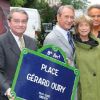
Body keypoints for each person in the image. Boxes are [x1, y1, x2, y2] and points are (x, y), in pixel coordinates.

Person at [0, 8, 37, 100]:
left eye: (23, 21)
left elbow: (37, 66)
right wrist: (7, 89)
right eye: (16, 21)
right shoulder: (1, 41)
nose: (20, 24)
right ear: (9, 23)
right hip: (8, 96)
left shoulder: (32, 42)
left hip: (28, 94)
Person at [74, 15, 100, 100]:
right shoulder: (73, 44)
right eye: (81, 25)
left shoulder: (98, 43)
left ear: (90, 27)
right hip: (83, 86)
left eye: (86, 25)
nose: (84, 28)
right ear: (77, 28)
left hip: (97, 85)